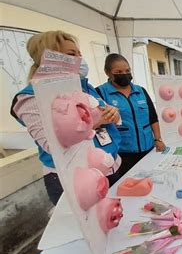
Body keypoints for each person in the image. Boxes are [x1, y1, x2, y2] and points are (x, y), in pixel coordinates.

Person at [10, 31, 122, 205]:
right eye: (71, 55)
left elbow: (106, 116)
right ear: (48, 57)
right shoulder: (31, 98)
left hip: (109, 167)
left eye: (79, 54)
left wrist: (114, 114)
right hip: (74, 179)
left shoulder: (84, 87)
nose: (79, 60)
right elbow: (52, 144)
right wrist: (96, 121)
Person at [96, 53, 166, 175]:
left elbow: (153, 117)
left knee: (151, 180)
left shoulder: (140, 91)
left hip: (147, 148)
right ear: (108, 73)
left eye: (127, 70)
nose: (124, 74)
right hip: (122, 153)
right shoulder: (100, 93)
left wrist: (158, 139)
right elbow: (98, 125)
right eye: (119, 71)